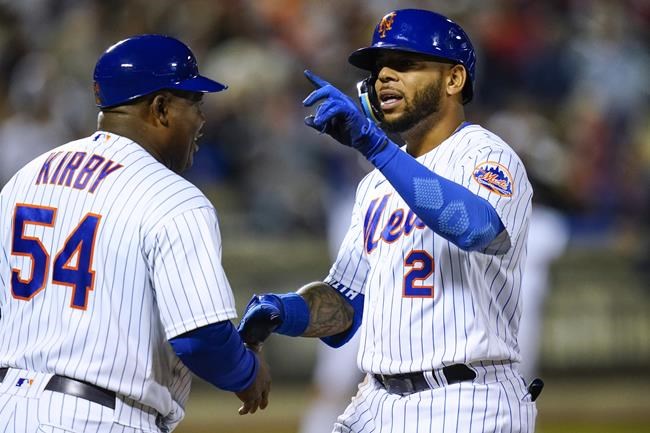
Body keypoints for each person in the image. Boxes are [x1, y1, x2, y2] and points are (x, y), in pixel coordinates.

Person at [239, 8, 539, 433]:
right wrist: (282, 311)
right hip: (375, 402)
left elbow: (471, 226)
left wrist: (376, 147)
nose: (384, 77)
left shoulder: (486, 155)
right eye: (379, 69)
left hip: (466, 399)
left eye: (406, 64)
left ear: (454, 79)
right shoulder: (376, 186)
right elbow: (343, 309)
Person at [0, 34, 270, 433]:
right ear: (160, 108)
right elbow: (201, 338)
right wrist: (247, 373)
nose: (201, 119)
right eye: (193, 102)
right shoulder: (173, 197)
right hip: (98, 417)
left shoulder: (26, 177)